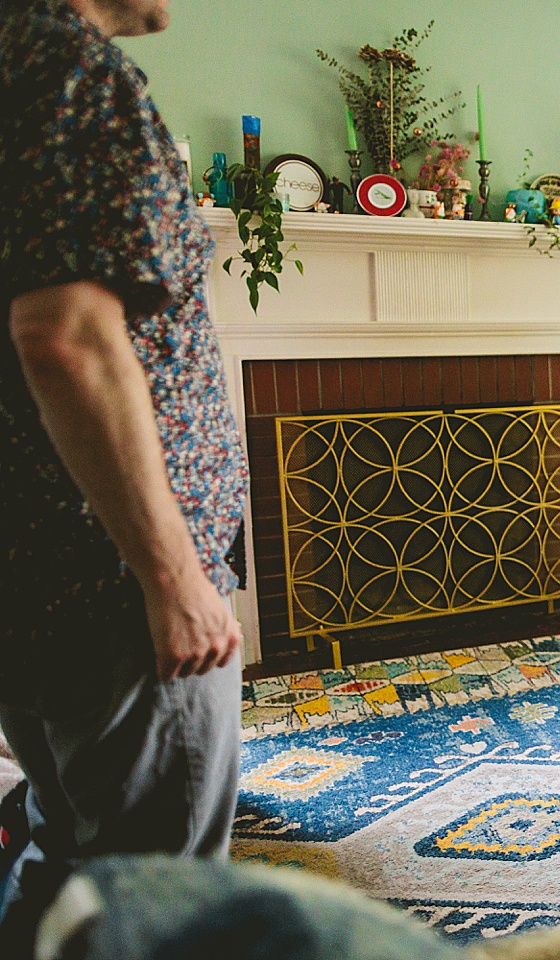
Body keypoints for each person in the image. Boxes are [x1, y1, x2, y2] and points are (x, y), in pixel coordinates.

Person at [0, 0, 249, 953]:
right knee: (163, 894)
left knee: (71, 859)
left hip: (33, 569)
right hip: (110, 585)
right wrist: (173, 575)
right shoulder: (70, 67)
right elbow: (65, 337)